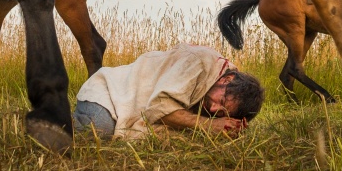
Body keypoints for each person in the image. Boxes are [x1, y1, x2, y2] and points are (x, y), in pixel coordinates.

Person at [73, 43, 264, 140]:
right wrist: (209, 126)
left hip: (131, 106)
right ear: (226, 79)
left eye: (222, 113)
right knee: (97, 131)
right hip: (111, 94)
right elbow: (159, 109)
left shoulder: (224, 85)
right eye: (221, 101)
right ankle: (51, 115)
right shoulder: (200, 62)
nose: (214, 110)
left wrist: (230, 129)